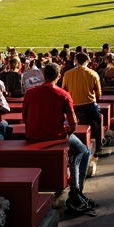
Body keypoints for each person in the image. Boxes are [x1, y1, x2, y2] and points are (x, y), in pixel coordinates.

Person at [22, 63, 94, 214]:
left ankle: (74, 187)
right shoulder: (63, 94)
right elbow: (73, 123)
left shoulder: (30, 93)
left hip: (33, 134)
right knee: (83, 151)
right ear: (59, 76)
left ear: (43, 75)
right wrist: (69, 131)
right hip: (56, 135)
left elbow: (25, 117)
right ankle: (76, 189)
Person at [61, 51, 103, 156]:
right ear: (87, 62)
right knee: (97, 122)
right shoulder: (93, 74)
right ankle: (98, 146)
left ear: (76, 61)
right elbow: (98, 93)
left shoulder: (67, 74)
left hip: (74, 106)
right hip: (90, 105)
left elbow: (64, 91)